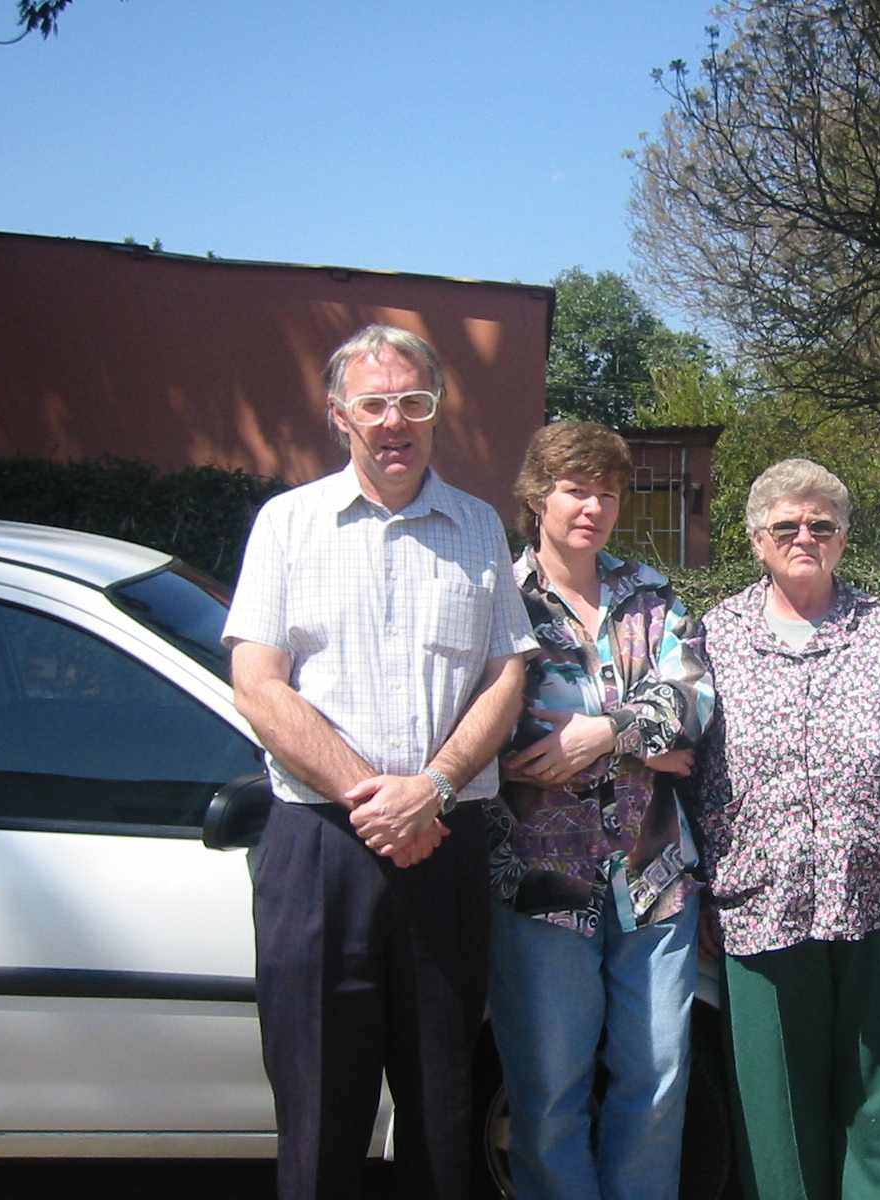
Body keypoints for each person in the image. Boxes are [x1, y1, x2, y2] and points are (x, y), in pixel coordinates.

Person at [223, 324, 536, 1200]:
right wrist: (379, 801)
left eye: (413, 401)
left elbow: (506, 677)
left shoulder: (478, 527)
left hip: (447, 843)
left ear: (437, 411)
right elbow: (257, 685)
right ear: (339, 416)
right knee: (321, 1115)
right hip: (320, 850)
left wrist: (431, 789)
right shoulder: (287, 525)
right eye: (373, 404)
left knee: (442, 1113)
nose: (394, 421)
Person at [696, 458, 880, 1200]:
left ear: (844, 538)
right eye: (786, 525)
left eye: (822, 525)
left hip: (878, 903)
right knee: (776, 1105)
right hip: (758, 902)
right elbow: (686, 769)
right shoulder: (714, 638)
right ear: (757, 539)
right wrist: (696, 889)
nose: (805, 538)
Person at [483, 421, 715, 1200]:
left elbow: (692, 700)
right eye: (577, 490)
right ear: (536, 497)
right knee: (549, 1087)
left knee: (657, 1075)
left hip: (653, 878)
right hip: (541, 884)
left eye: (608, 494)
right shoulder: (499, 599)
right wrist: (646, 746)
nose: (593, 508)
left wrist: (603, 735)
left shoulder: (648, 594)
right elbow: (503, 736)